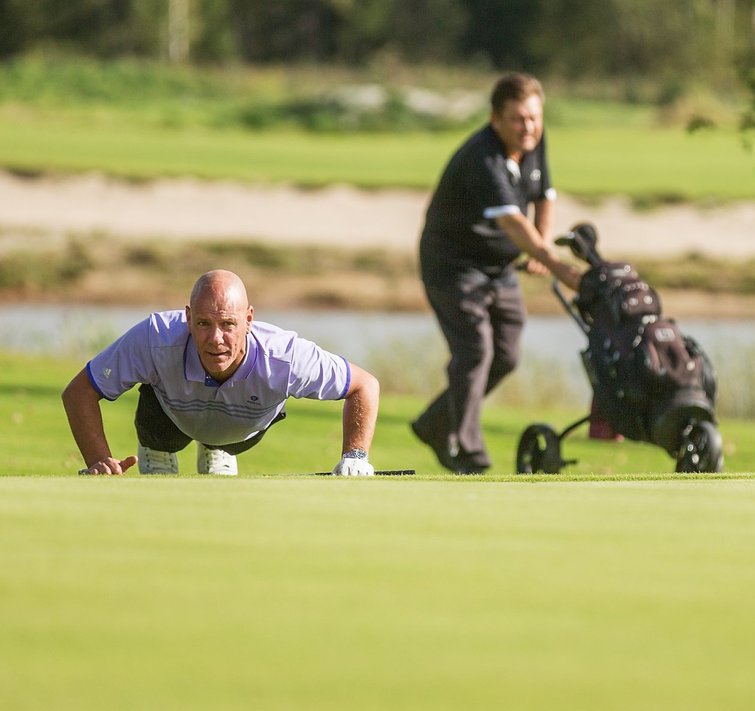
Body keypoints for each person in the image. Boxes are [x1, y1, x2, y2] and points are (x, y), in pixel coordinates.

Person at [411, 72, 581, 473]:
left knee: (505, 354)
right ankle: (469, 452)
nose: (529, 128)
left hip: (498, 266)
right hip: (452, 265)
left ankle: (436, 422)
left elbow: (544, 196)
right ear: (495, 119)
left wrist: (542, 242)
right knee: (474, 349)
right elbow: (510, 221)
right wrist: (555, 263)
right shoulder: (482, 157)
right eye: (519, 119)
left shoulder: (534, 143)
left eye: (535, 118)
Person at [62, 269, 380, 476]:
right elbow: (79, 392)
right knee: (158, 410)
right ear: (188, 318)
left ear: (249, 319)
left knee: (224, 437)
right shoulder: (154, 337)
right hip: (168, 423)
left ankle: (217, 449)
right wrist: (98, 460)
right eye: (203, 324)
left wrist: (355, 456)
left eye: (228, 324)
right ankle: (158, 451)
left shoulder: (285, 355)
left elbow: (364, 385)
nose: (216, 339)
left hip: (240, 433)